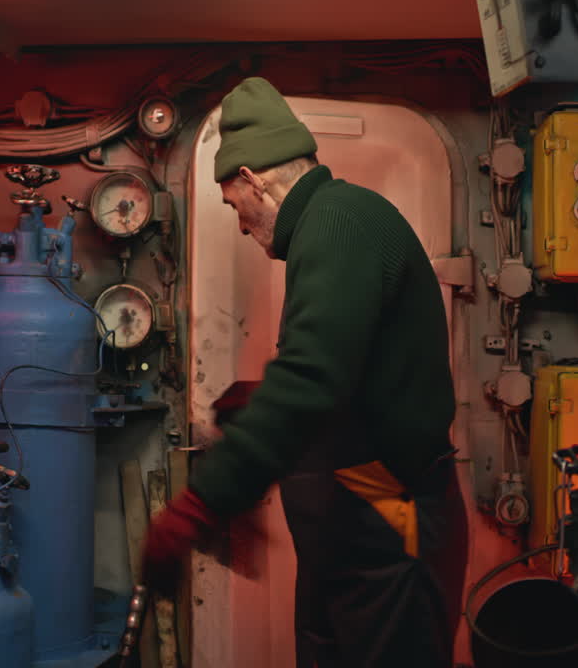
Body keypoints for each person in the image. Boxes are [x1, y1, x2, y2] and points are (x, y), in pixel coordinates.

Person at [142, 77, 467, 668]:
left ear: (251, 181)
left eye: (230, 204)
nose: (239, 223)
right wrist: (269, 409)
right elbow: (347, 370)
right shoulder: (333, 223)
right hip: (354, 531)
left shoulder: (340, 220)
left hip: (392, 531)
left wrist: (203, 502)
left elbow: (312, 374)